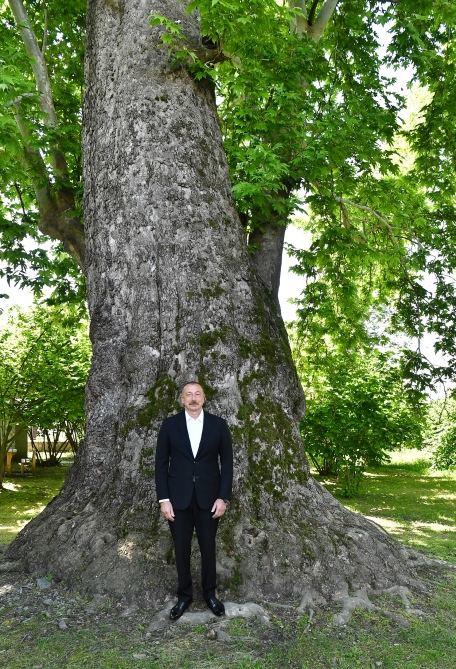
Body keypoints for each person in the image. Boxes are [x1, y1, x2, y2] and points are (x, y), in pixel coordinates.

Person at [155, 381, 233, 621]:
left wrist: (223, 497)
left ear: (204, 398)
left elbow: (227, 464)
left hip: (209, 500)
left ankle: (210, 594)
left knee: (208, 548)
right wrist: (164, 500)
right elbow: (160, 464)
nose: (193, 398)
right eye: (188, 394)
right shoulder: (170, 425)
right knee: (181, 549)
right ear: (182, 400)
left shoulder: (219, 425)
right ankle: (184, 596)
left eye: (197, 394)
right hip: (177, 499)